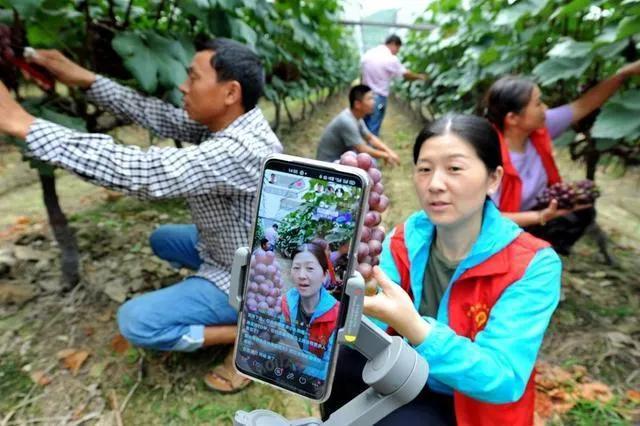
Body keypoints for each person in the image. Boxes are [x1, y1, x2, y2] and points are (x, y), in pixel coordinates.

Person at [0, 38, 282, 392]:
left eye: (193, 78)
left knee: (136, 322)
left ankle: (254, 332)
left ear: (230, 93)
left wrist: (25, 124)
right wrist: (86, 79)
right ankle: (218, 302)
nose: (183, 85)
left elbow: (144, 172)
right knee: (161, 238)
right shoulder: (231, 122)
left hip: (244, 274)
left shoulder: (243, 150)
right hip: (234, 247)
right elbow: (157, 115)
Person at [323, 115, 561, 425]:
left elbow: (504, 376)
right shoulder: (408, 236)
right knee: (339, 363)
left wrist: (416, 329)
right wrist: (344, 281)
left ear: (493, 178)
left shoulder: (533, 264)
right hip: (406, 374)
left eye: (454, 169)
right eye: (424, 169)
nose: (435, 184)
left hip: (468, 404)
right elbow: (372, 313)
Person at [485, 59, 640, 254]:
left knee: (581, 209)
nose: (546, 109)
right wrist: (540, 216)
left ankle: (541, 254)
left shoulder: (539, 129)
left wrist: (623, 73)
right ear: (512, 118)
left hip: (532, 216)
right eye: (538, 103)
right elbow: (485, 219)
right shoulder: (488, 154)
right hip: (497, 229)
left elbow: (583, 105)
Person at [281, 242, 339, 377]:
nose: (302, 275)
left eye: (310, 268)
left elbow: (329, 373)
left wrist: (297, 356)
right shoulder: (285, 303)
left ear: (325, 275)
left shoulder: (337, 317)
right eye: (296, 268)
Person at [316, 84, 400, 164]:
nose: (374, 102)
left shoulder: (356, 117)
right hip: (329, 164)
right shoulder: (347, 121)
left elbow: (370, 138)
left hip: (341, 158)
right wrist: (386, 155)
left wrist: (389, 151)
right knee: (369, 162)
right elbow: (362, 149)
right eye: (370, 99)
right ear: (357, 104)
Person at [360, 34, 427, 135]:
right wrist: (420, 77)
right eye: (397, 49)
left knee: (363, 127)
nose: (397, 52)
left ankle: (359, 149)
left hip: (363, 95)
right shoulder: (390, 59)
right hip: (378, 97)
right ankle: (369, 150)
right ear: (393, 44)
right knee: (373, 129)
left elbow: (361, 75)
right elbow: (405, 74)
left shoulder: (368, 54)